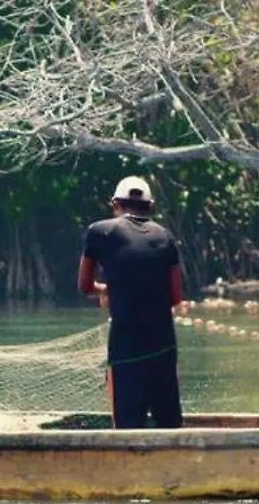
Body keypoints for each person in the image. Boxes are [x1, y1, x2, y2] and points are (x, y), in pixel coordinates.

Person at [77, 176, 183, 429]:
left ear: (115, 204)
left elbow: (84, 286)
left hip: (126, 344)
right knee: (168, 421)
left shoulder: (99, 232)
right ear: (150, 206)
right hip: (163, 343)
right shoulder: (165, 237)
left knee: (127, 423)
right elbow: (176, 297)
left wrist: (106, 290)